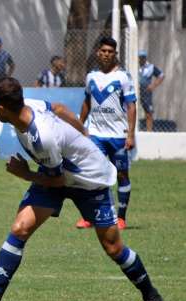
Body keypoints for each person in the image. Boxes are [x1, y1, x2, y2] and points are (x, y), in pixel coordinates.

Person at [0, 76, 164, 301]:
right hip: (56, 171)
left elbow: (57, 180)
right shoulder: (29, 105)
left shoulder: (42, 138)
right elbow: (59, 108)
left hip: (89, 181)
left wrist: (25, 174)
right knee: (20, 228)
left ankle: (151, 296)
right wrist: (82, 131)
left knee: (113, 247)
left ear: (0, 108)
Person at [76, 37, 136, 230]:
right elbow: (87, 102)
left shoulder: (123, 77)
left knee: (121, 175)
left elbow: (131, 106)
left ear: (115, 54)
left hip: (118, 136)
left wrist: (131, 134)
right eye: (103, 51)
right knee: (94, 175)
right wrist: (79, 126)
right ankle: (90, 217)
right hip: (96, 135)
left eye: (110, 51)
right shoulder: (91, 77)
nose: (106, 54)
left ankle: (121, 217)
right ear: (98, 53)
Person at [138, 50, 164, 132]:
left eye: (143, 57)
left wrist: (153, 85)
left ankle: (149, 131)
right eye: (140, 57)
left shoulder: (151, 67)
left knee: (148, 112)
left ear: (145, 58)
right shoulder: (135, 65)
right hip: (136, 90)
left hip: (146, 92)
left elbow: (161, 75)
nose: (141, 59)